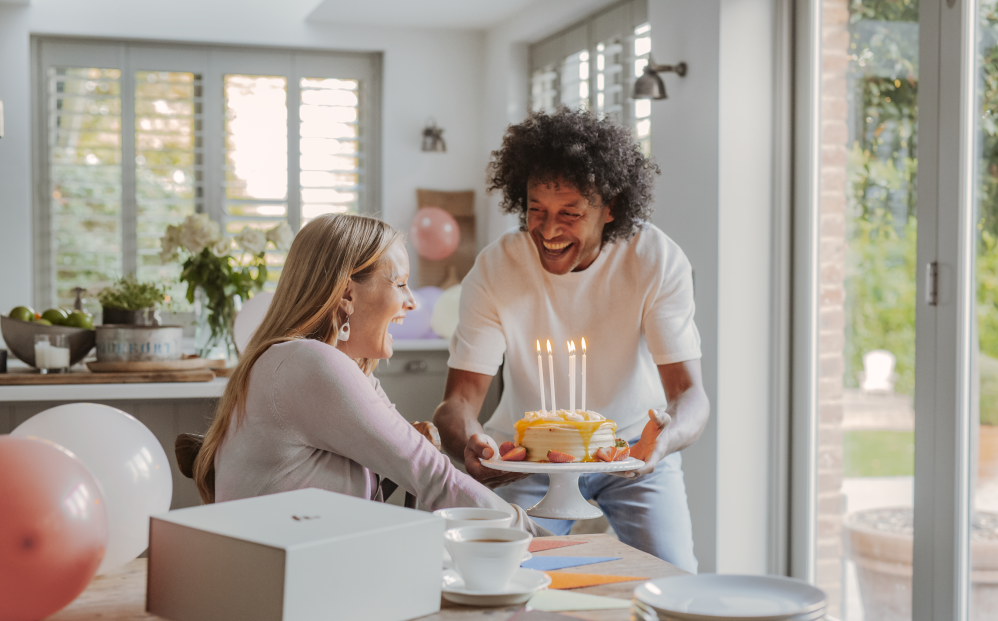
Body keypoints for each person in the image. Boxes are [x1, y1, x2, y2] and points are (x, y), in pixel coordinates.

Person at [433, 107, 710, 571]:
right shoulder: (496, 268)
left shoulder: (655, 259)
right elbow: (457, 403)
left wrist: (661, 442)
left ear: (611, 208)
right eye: (535, 210)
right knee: (491, 574)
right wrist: (471, 443)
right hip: (526, 459)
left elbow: (690, 396)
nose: (548, 230)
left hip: (628, 455)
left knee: (675, 578)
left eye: (571, 213)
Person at [192, 213, 543, 536]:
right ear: (347, 292)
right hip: (282, 582)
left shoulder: (319, 363)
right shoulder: (308, 362)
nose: (412, 302)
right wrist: (534, 534)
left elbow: (418, 460)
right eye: (401, 283)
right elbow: (432, 477)